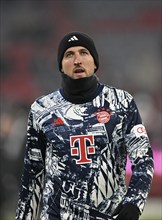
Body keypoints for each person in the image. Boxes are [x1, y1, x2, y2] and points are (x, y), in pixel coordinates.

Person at [15, 32, 154, 220]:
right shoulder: (42, 109)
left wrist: (134, 203)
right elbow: (33, 175)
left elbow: (143, 158)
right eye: (69, 55)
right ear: (61, 66)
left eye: (84, 53)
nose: (77, 60)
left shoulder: (121, 102)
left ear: (95, 62)